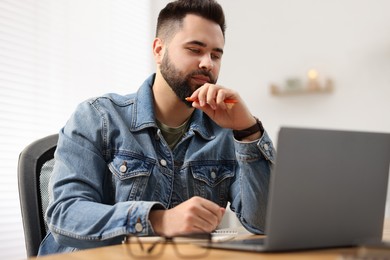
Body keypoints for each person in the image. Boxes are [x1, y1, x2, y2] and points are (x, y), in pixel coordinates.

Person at [38, 0, 275, 255]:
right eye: (195, 49)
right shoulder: (97, 117)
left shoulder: (226, 132)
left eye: (216, 55)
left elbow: (263, 222)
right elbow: (65, 215)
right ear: (159, 50)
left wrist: (248, 131)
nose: (208, 63)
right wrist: (159, 220)